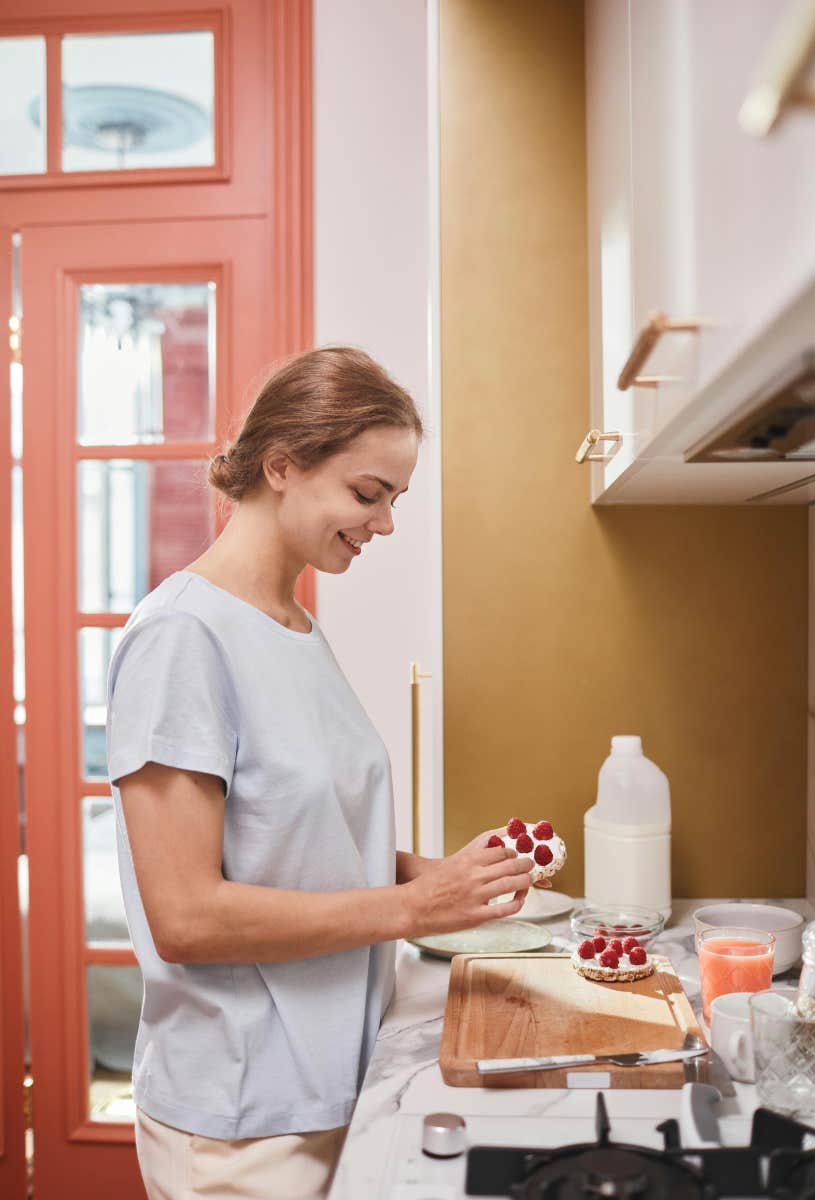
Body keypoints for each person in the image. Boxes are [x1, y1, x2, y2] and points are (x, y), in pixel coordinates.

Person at [106, 346, 535, 1200]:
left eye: (392, 501)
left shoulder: (292, 623)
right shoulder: (183, 638)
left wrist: (448, 876)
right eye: (366, 494)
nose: (382, 523)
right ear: (281, 466)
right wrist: (416, 906)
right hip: (241, 1117)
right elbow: (185, 915)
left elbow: (305, 839)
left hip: (332, 1078)